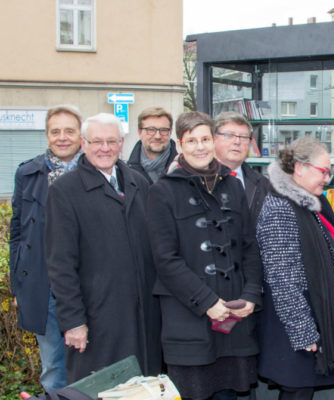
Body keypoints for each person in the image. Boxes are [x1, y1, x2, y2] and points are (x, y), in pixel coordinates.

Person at [146, 111, 262, 400]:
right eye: (192, 140)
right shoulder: (162, 192)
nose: (200, 147)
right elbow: (165, 259)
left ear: (214, 141)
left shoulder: (233, 186)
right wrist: (208, 302)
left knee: (229, 396)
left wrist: (250, 295)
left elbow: (249, 246)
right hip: (189, 320)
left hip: (233, 319)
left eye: (205, 139)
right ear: (180, 145)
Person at [45, 113, 162, 383]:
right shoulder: (64, 191)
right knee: (103, 386)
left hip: (144, 316)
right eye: (97, 141)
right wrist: (73, 321)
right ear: (84, 145)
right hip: (98, 318)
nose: (105, 148)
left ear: (122, 143)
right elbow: (60, 263)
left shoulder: (138, 183)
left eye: (112, 141)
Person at [256, 136, 334, 399]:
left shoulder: (309, 202)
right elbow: (282, 278)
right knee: (297, 391)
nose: (327, 179)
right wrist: (303, 331)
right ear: (299, 168)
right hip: (295, 322)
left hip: (313, 313)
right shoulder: (280, 207)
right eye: (323, 172)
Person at [10, 105, 83, 391]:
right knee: (54, 367)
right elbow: (17, 233)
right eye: (55, 131)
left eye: (69, 131)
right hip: (45, 287)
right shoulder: (28, 173)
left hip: (88, 286)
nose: (62, 137)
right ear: (47, 135)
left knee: (93, 365)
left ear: (80, 135)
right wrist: (19, 286)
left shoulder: (99, 171)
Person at [213, 111, 270, 224]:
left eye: (243, 137)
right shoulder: (198, 179)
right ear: (214, 139)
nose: (237, 141)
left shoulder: (263, 184)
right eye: (230, 135)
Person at [127, 106, 178, 183]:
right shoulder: (125, 172)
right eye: (151, 130)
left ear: (170, 132)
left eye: (163, 130)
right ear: (139, 132)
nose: (158, 136)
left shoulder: (185, 169)